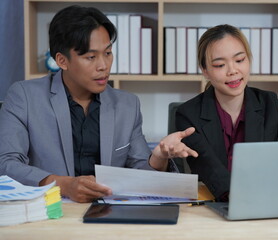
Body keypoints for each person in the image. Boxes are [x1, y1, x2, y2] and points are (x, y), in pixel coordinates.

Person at [0, 5, 197, 203]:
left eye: (108, 53)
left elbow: (142, 174)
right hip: (52, 211)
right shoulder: (24, 96)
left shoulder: (127, 105)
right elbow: (6, 164)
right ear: (62, 60)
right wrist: (63, 185)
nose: (103, 65)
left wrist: (160, 156)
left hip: (108, 214)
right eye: (91, 57)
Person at [175, 24, 278, 201]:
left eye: (239, 60)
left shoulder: (275, 108)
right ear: (205, 71)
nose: (233, 70)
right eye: (219, 65)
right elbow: (208, 168)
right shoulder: (188, 115)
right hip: (216, 206)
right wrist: (241, 199)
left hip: (269, 202)